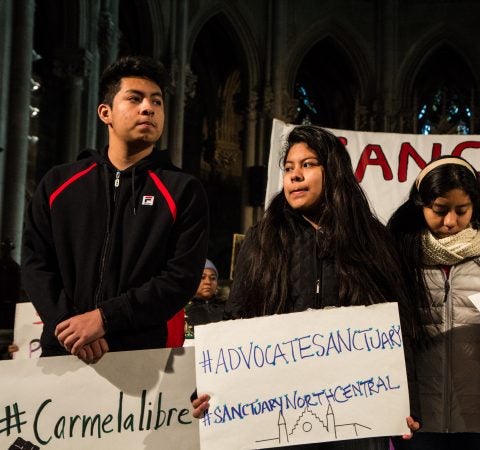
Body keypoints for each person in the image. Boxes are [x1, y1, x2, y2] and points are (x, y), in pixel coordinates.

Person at [192, 125, 419, 449]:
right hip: (279, 417)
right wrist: (207, 386)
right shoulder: (263, 240)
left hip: (354, 418)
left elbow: (398, 330)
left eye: (307, 165)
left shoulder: (371, 239)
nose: (295, 176)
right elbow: (237, 318)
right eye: (288, 168)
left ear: (334, 170)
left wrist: (405, 402)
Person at [21, 55, 209, 364]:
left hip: (143, 359)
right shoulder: (59, 183)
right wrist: (70, 326)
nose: (148, 108)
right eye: (135, 99)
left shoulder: (182, 190)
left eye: (157, 102)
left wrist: (104, 319)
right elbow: (35, 263)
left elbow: (180, 278)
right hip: (63, 353)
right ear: (105, 112)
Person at [387, 156, 480, 450]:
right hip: (418, 421)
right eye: (439, 210)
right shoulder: (397, 254)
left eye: (462, 210)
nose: (450, 221)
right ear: (420, 205)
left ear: (476, 206)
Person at [184, 259, 225, 340]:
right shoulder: (183, 311)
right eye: (202, 277)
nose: (208, 282)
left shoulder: (227, 307)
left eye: (213, 278)